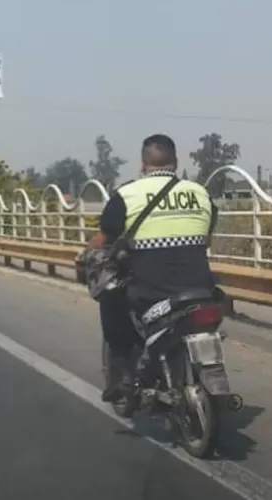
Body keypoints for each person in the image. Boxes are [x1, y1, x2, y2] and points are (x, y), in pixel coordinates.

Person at [78, 133, 218, 402]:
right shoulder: (200, 193)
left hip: (151, 290)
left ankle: (122, 376)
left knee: (111, 298)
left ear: (143, 164)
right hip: (200, 286)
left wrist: (84, 255)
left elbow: (104, 238)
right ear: (175, 162)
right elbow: (207, 238)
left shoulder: (127, 194)